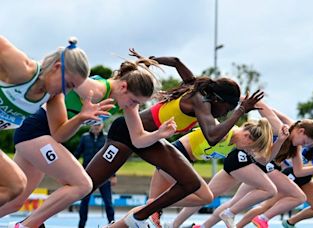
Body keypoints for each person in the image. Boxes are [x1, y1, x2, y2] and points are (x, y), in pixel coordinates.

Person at [86, 50, 264, 228]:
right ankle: (138, 216)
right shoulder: (200, 99)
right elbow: (212, 137)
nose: (225, 114)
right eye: (226, 110)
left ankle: (140, 216)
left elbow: (176, 62)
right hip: (127, 133)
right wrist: (240, 111)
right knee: (86, 185)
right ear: (218, 100)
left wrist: (150, 60)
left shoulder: (196, 89)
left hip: (152, 140)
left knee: (196, 188)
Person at [0, 51, 165, 227]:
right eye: (133, 101)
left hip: (47, 137)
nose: (133, 106)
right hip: (36, 130)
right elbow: (71, 75)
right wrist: (61, 61)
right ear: (123, 87)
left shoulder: (125, 101)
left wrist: (159, 134)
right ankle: (26, 225)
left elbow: (138, 139)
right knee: (82, 184)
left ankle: (27, 223)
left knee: (14, 202)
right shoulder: (96, 89)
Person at [0, 36, 116, 227]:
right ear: (56, 67)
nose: (67, 91)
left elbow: (59, 135)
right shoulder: (22, 69)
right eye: (69, 84)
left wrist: (80, 118)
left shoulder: (53, 96)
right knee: (17, 184)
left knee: (15, 187)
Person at [149, 118, 277, 228]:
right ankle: (158, 206)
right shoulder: (225, 133)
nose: (248, 151)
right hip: (174, 155)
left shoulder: (232, 142)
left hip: (180, 160)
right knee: (204, 196)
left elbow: (264, 159)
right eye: (249, 147)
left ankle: (158, 209)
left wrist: (280, 139)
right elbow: (208, 119)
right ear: (246, 136)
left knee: (152, 203)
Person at [74, 123, 116, 228]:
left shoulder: (107, 138)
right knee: (84, 203)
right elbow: (76, 155)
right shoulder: (85, 138)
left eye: (99, 124)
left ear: (102, 125)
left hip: (104, 175)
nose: (97, 126)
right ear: (91, 125)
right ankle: (81, 225)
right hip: (87, 176)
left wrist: (114, 175)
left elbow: (113, 158)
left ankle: (113, 224)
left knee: (108, 203)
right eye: (95, 124)